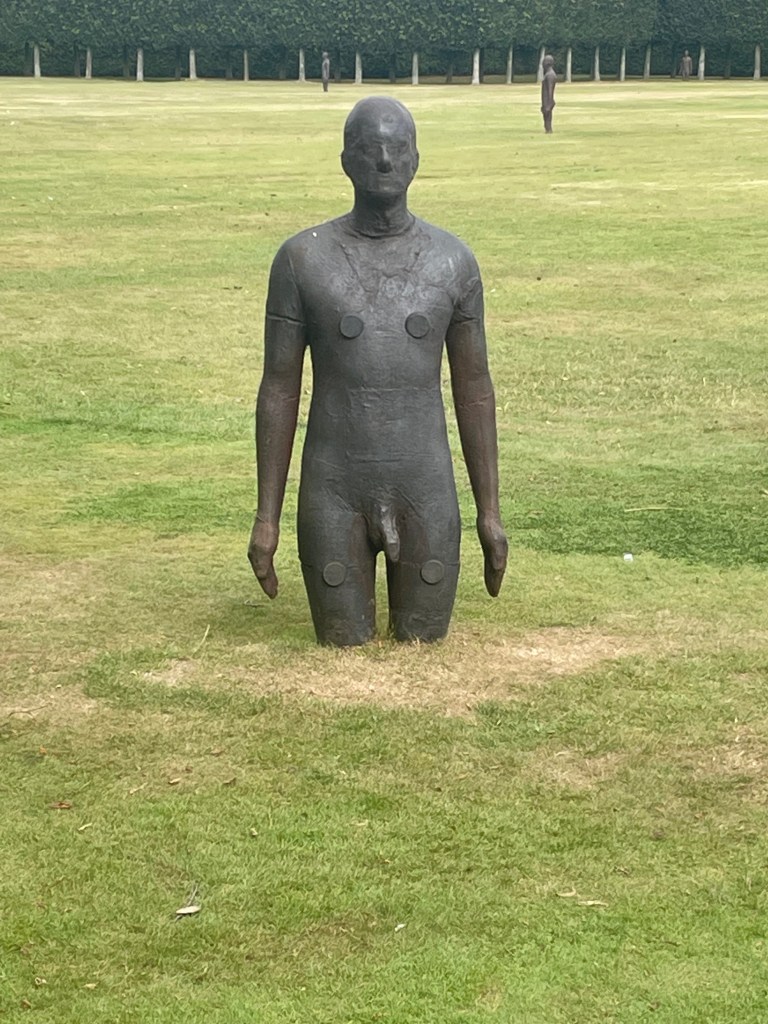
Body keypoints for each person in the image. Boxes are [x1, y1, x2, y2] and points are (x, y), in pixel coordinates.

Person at [248, 97, 507, 646]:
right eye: (370, 149)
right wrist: (266, 517)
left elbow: (475, 390)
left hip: (425, 486)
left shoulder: (452, 262)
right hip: (334, 487)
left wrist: (489, 512)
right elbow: (279, 389)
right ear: (346, 160)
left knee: (424, 639)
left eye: (398, 149)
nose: (385, 161)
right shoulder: (302, 261)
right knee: (341, 639)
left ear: (417, 160)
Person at [541, 54, 557, 134]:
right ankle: (547, 129)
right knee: (546, 114)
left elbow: (550, 89)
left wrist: (550, 102)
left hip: (547, 99)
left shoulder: (550, 75)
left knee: (548, 114)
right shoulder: (548, 74)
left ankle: (549, 129)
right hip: (546, 99)